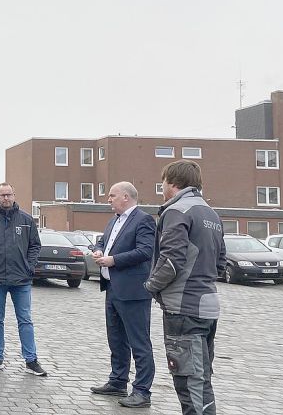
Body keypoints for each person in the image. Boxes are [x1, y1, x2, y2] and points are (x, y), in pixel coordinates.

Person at [144, 160, 225, 415]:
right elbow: (220, 263)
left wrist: (151, 286)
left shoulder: (177, 211)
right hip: (208, 307)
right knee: (201, 380)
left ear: (174, 184)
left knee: (189, 382)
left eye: (163, 183)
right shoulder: (211, 213)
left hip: (183, 309)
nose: (163, 188)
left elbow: (171, 260)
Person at [90, 182, 156, 407]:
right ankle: (118, 381)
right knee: (116, 339)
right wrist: (99, 250)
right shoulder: (114, 220)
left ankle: (142, 391)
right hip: (112, 289)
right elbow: (103, 241)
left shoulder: (144, 220)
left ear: (125, 197)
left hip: (134, 292)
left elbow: (146, 251)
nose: (108, 199)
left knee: (139, 342)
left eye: (112, 195)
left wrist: (113, 260)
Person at [0, 183, 47, 376]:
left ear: (14, 195)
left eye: (9, 195)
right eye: (2, 195)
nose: (6, 198)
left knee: (25, 320)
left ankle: (31, 360)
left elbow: (35, 246)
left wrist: (29, 266)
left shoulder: (26, 220)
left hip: (21, 279)